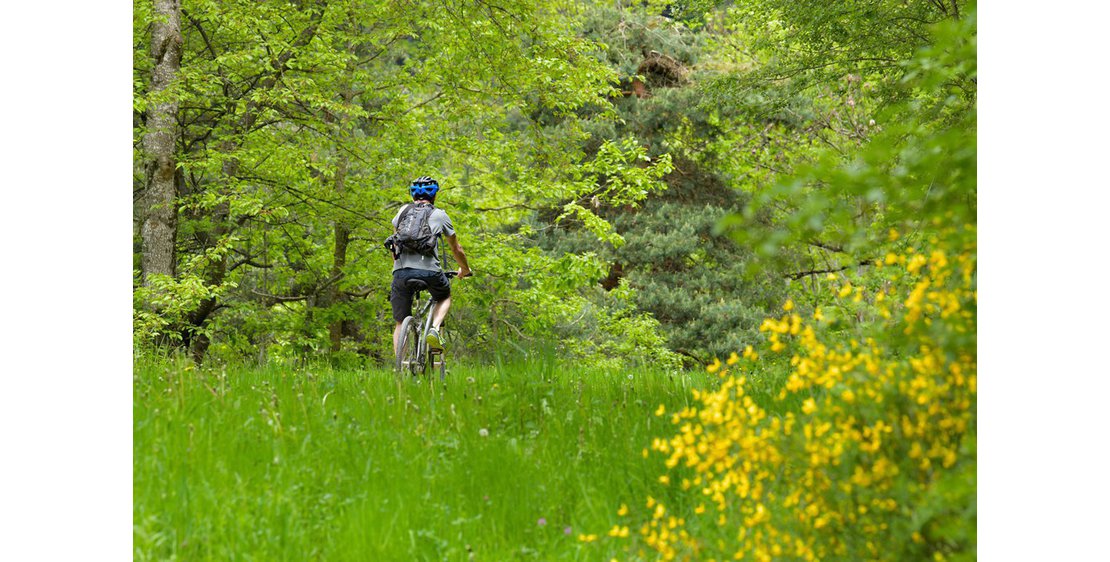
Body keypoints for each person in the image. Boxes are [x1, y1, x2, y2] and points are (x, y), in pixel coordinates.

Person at [388, 176, 472, 357]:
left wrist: (398, 268)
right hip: (430, 272)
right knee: (444, 296)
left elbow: (394, 245)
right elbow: (456, 248)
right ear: (434, 195)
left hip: (401, 273)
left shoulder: (402, 211)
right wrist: (464, 269)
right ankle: (434, 329)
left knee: (400, 322)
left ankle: (399, 368)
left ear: (412, 195)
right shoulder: (440, 215)